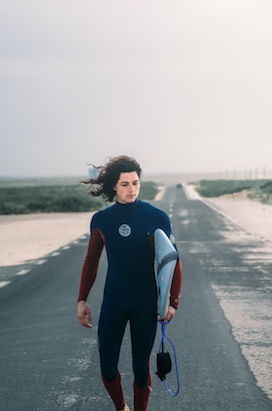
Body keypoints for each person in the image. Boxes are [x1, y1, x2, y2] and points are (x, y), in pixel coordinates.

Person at [77, 155, 182, 411]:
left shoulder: (156, 217)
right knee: (108, 367)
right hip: (114, 300)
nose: (131, 189)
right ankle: (120, 407)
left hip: (144, 303)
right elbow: (91, 261)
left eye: (135, 183)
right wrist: (82, 299)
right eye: (125, 184)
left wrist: (173, 302)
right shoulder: (102, 220)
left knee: (140, 368)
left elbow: (174, 260)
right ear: (114, 185)